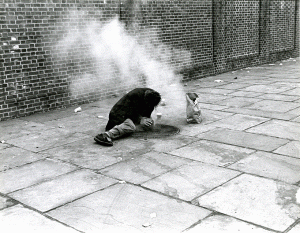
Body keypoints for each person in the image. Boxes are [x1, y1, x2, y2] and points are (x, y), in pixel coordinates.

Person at [94, 88, 161, 146]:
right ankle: (106, 135)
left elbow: (148, 110)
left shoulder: (153, 95)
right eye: (149, 104)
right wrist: (140, 119)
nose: (150, 106)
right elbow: (128, 111)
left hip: (131, 116)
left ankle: (123, 130)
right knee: (130, 127)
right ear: (146, 100)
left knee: (149, 124)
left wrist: (147, 119)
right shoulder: (135, 95)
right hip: (118, 114)